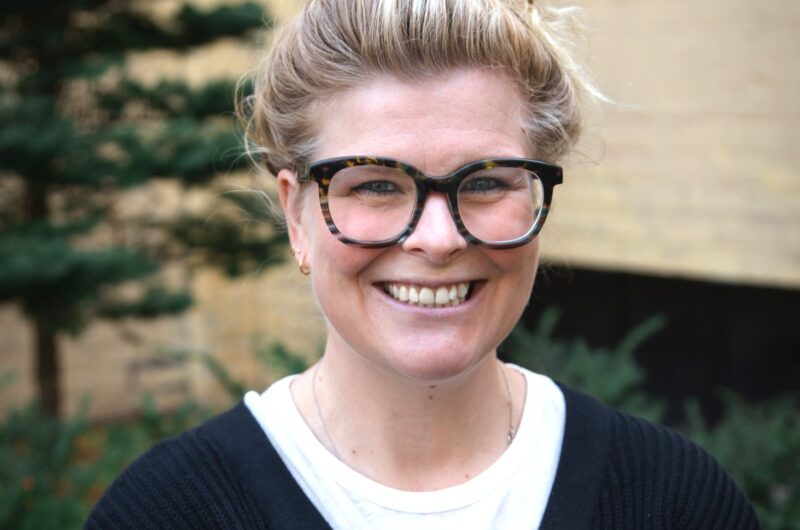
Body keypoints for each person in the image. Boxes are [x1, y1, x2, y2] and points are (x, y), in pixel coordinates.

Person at [86, 0, 761, 528]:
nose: (438, 239)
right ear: (297, 216)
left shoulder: (675, 501)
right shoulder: (167, 513)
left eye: (486, 182)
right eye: (376, 184)